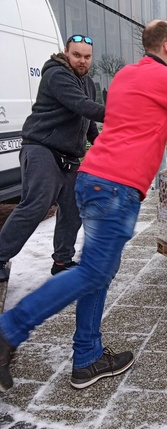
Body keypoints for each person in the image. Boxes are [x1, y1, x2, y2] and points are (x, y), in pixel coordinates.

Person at [0, 20, 167, 392]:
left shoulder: (127, 74)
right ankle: (10, 329)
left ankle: (87, 357)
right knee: (93, 272)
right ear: (166, 47)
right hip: (117, 187)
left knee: (99, 271)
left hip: (92, 179)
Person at [0, 35, 104, 283]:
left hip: (69, 156)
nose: (82, 60)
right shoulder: (56, 75)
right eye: (76, 55)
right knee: (36, 204)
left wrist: (101, 147)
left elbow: (88, 124)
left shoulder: (88, 83)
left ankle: (62, 261)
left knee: (73, 208)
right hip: (41, 149)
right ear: (66, 52)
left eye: (87, 56)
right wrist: (128, 111)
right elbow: (83, 106)